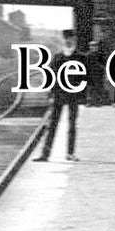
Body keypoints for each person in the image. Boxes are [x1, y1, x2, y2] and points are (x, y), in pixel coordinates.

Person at [33, 29, 86, 162]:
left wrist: (83, 96)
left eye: (71, 40)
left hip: (74, 95)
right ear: (64, 41)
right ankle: (45, 154)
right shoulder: (57, 57)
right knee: (52, 125)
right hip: (59, 94)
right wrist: (50, 94)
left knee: (72, 125)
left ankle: (70, 153)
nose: (69, 42)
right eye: (67, 40)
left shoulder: (81, 58)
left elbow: (85, 78)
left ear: (74, 41)